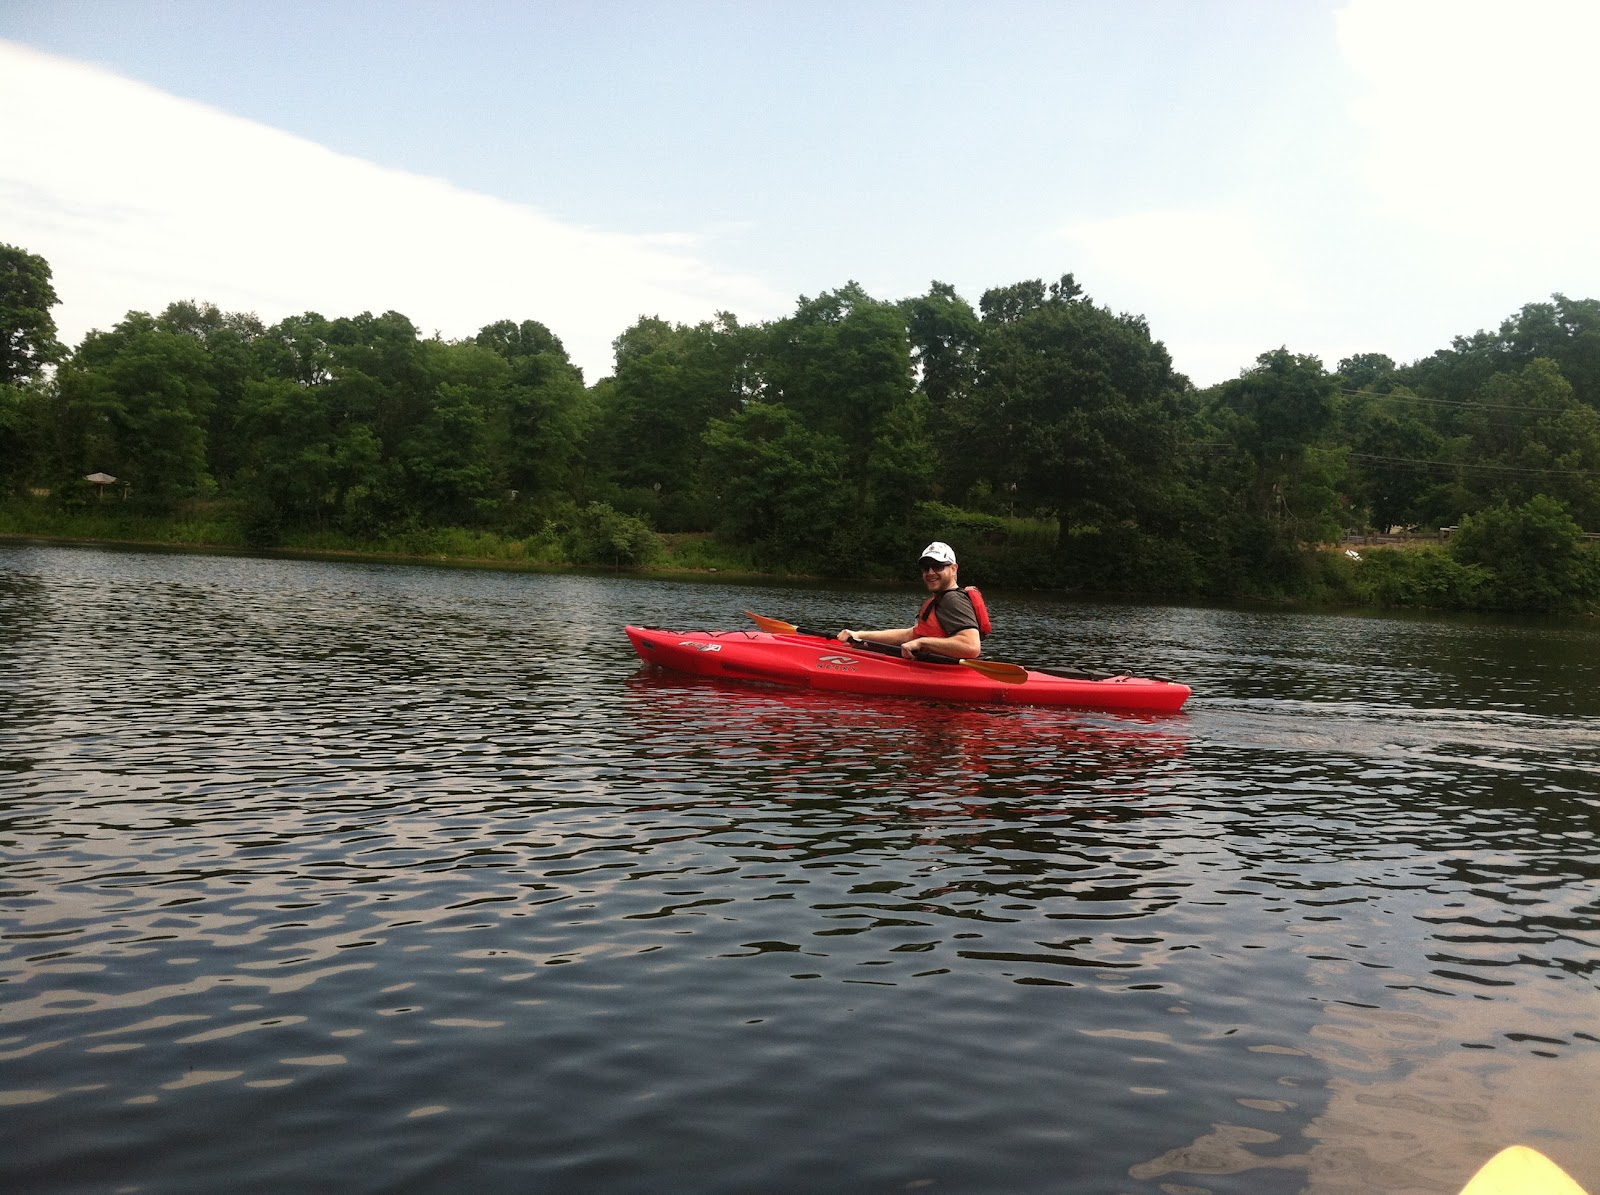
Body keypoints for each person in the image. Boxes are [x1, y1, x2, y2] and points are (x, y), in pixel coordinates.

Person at [836, 541, 982, 660]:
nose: (930, 572)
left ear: (953, 569)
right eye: (926, 568)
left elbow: (971, 646)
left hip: (941, 674)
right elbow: (910, 635)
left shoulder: (952, 599)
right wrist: (859, 635)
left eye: (938, 566)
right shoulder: (942, 599)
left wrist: (922, 643)